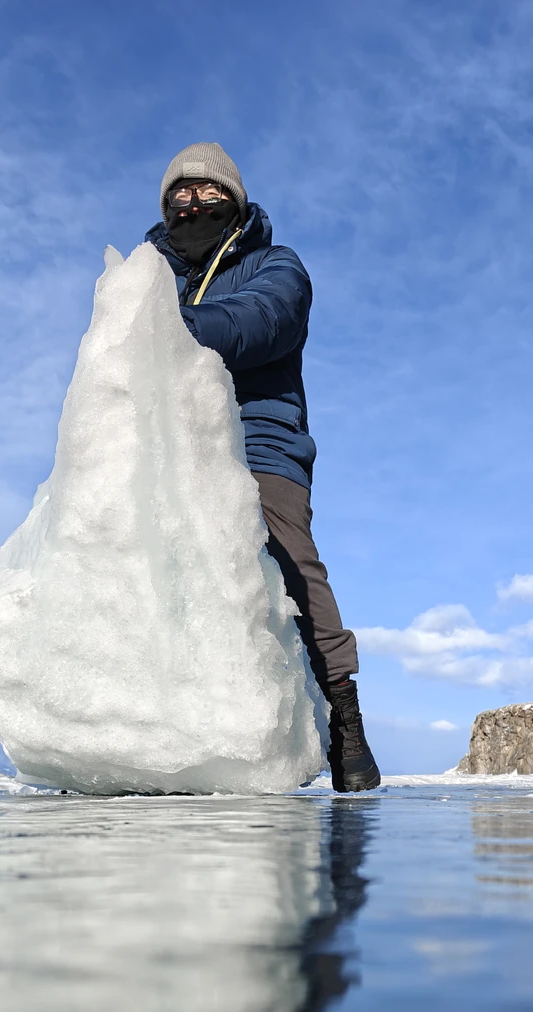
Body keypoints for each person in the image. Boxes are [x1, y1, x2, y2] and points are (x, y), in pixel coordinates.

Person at [146, 142, 380, 792]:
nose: (193, 204)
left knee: (288, 560)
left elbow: (263, 322)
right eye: (179, 196)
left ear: (235, 200)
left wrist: (169, 327)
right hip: (178, 451)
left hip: (260, 447)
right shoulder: (156, 281)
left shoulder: (274, 266)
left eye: (207, 192)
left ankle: (342, 715)